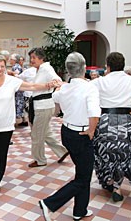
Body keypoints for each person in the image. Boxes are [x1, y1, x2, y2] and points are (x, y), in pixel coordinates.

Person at [0, 54, 57, 196]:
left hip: (5, 125)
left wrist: (47, 85)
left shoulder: (12, 81)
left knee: (0, 154)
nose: (0, 69)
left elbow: (32, 85)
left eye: (2, 66)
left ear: (5, 67)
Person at [39, 52, 101, 221]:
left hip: (67, 133)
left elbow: (55, 96)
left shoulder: (65, 88)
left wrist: (60, 86)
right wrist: (91, 131)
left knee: (82, 173)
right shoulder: (90, 88)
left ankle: (80, 210)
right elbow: (94, 113)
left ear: (68, 69)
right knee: (83, 177)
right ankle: (50, 203)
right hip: (82, 135)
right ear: (85, 68)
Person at [91, 52, 131, 202]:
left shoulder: (99, 82)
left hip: (105, 121)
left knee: (105, 152)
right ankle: (117, 186)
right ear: (122, 66)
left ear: (108, 66)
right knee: (122, 154)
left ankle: (108, 180)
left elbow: (83, 91)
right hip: (125, 121)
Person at [27, 47, 69, 168]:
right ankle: (62, 151)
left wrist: (54, 84)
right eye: (31, 58)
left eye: (34, 57)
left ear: (41, 58)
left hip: (43, 106)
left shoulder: (46, 68)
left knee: (36, 134)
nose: (32, 60)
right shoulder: (39, 69)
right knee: (45, 132)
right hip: (39, 106)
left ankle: (39, 160)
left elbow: (57, 79)